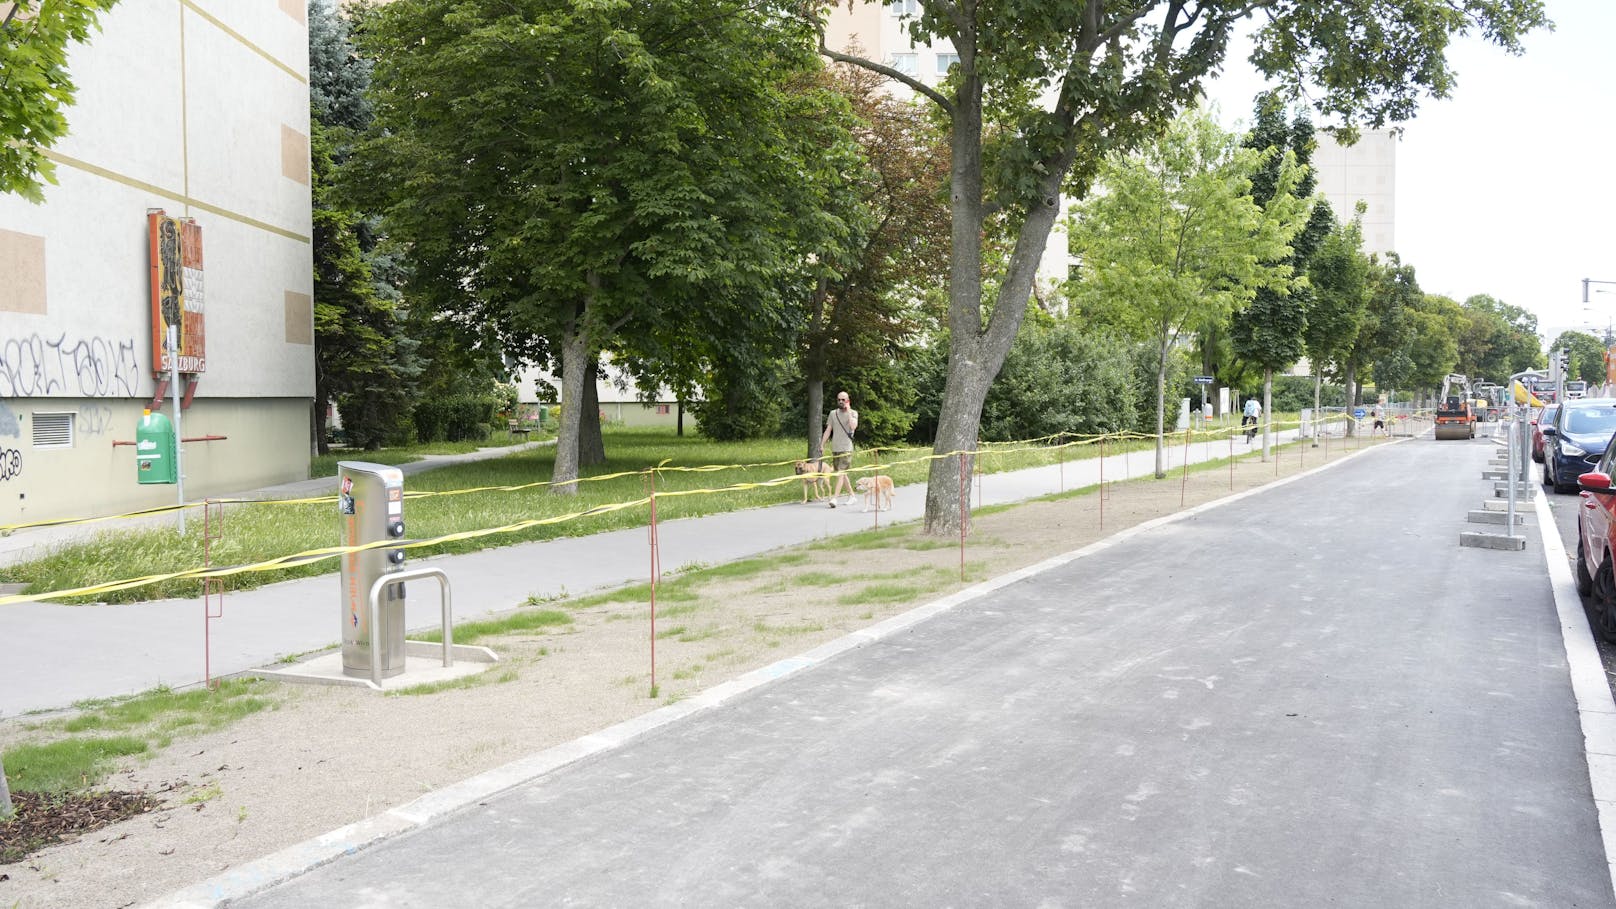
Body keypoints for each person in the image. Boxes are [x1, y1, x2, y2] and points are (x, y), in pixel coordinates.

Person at [821, 391, 859, 507]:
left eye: (843, 400)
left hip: (846, 448)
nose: (841, 402)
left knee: (841, 473)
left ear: (848, 401)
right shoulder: (833, 414)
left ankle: (834, 499)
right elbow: (828, 430)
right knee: (842, 473)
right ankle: (852, 496)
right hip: (836, 448)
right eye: (839, 400)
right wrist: (822, 444)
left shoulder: (853, 413)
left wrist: (848, 411)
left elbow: (853, 426)